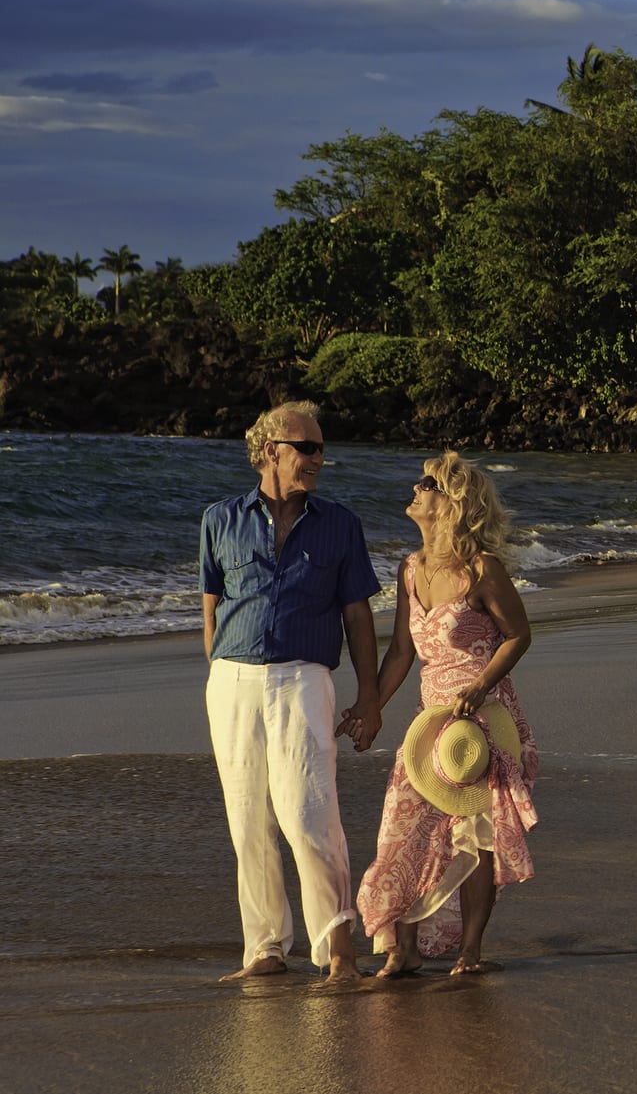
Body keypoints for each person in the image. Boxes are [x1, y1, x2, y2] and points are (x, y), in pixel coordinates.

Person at [199, 400, 381, 983]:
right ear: (271, 451)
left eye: (321, 448)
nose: (318, 459)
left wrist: (370, 696)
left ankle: (338, 950)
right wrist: (224, 673)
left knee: (308, 815)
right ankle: (265, 949)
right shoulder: (218, 519)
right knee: (247, 818)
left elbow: (358, 617)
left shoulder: (340, 524)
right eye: (307, 448)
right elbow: (211, 610)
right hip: (232, 681)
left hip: (304, 679)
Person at [350, 451, 537, 977]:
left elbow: (519, 635)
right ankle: (403, 949)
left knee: (474, 835)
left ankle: (469, 952)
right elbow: (402, 654)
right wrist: (372, 708)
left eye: (427, 484)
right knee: (402, 829)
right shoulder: (410, 569)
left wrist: (480, 686)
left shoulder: (482, 569)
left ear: (451, 503)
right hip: (427, 720)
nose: (415, 489)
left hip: (480, 720)